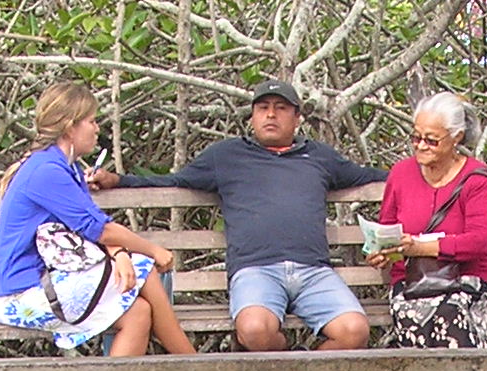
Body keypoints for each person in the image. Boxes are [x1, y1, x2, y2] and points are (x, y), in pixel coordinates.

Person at [94, 79, 385, 351]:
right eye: (263, 108)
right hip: (256, 269)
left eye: (281, 108)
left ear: (297, 119)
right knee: (255, 331)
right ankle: (289, 363)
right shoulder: (226, 156)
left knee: (354, 331)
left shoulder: (319, 156)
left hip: (313, 271)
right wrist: (117, 180)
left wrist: (424, 172)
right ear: (252, 117)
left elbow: (370, 176)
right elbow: (174, 181)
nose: (271, 115)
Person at [0, 83, 195, 358]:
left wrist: (120, 255)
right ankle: (196, 365)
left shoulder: (66, 167)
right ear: (70, 128)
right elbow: (101, 230)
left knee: (139, 313)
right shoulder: (47, 171)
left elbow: (92, 226)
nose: (97, 129)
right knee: (145, 266)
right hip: (20, 294)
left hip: (46, 284)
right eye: (92, 121)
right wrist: (153, 250)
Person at [372, 91, 487, 349]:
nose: (420, 146)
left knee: (450, 313)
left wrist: (422, 248)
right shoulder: (400, 173)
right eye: (416, 137)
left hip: (468, 277)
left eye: (431, 141)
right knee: (414, 314)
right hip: (412, 280)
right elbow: (387, 229)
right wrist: (383, 253)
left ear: (456, 138)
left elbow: (478, 242)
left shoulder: (476, 179)